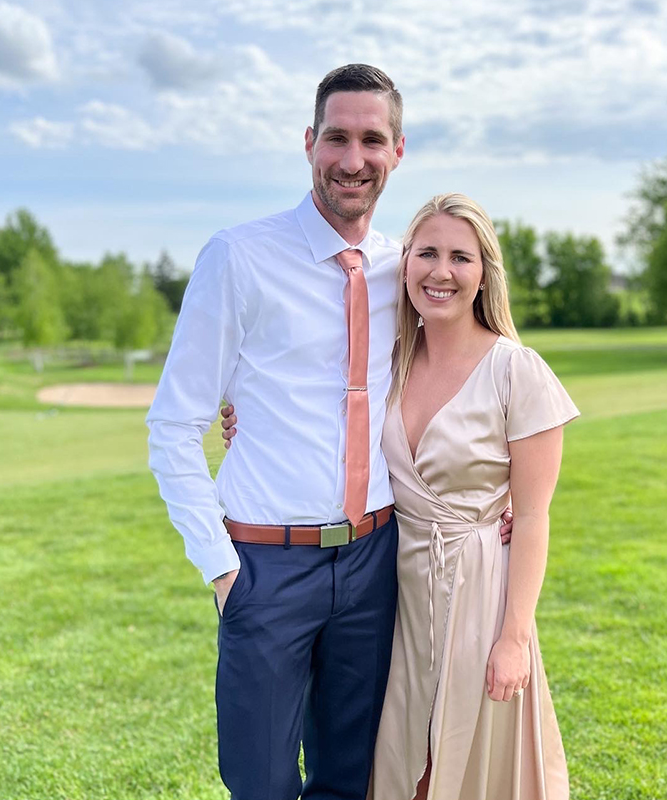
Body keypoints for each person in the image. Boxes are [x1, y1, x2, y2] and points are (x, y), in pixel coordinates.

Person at [147, 64, 512, 800]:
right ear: (310, 143)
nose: (354, 159)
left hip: (378, 560)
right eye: (337, 138)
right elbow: (173, 425)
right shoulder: (238, 256)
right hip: (265, 565)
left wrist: (491, 493)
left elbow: (448, 379)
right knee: (264, 782)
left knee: (355, 777)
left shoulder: (403, 270)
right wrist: (224, 573)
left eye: (372, 140)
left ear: (398, 151)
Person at [224, 194, 579, 799]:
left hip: (478, 588)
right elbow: (313, 402)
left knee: (463, 753)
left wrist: (514, 637)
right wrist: (247, 417)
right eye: (428, 253)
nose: (442, 271)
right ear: (405, 262)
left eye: (461, 257)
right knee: (399, 756)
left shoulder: (518, 370)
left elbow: (537, 516)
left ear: (484, 272)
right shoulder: (393, 357)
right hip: (389, 584)